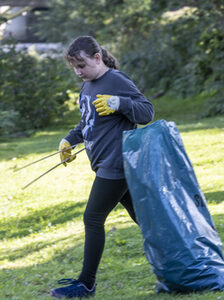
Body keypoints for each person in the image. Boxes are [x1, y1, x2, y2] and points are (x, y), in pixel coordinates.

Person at [50, 36, 154, 299]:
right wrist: (69, 140)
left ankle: (86, 284)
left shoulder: (116, 80)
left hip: (116, 164)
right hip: (105, 164)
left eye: (81, 65)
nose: (78, 71)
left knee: (92, 218)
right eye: (74, 66)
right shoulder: (87, 85)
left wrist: (119, 103)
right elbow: (87, 122)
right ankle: (182, 261)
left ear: (97, 58)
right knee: (146, 219)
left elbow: (146, 112)